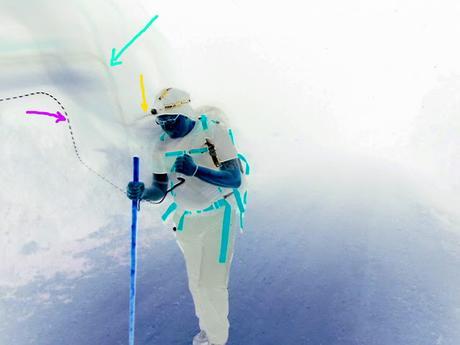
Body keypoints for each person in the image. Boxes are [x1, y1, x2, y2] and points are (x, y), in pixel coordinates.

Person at [126, 87, 246, 345]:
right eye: (161, 120)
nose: (166, 125)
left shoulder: (213, 132)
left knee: (211, 283)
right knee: (196, 284)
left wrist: (196, 170)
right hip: (185, 220)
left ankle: (217, 340)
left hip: (220, 216)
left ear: (184, 112)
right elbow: (159, 189)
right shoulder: (160, 147)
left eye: (171, 119)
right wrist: (141, 192)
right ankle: (208, 333)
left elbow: (234, 179)